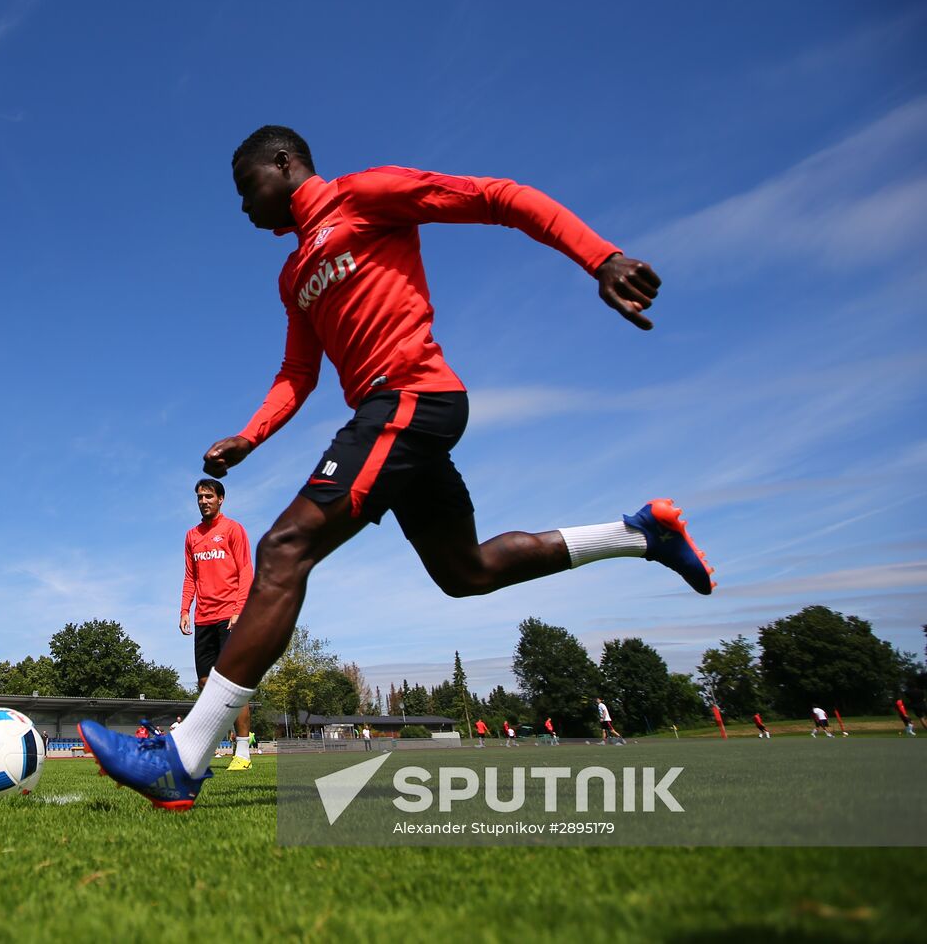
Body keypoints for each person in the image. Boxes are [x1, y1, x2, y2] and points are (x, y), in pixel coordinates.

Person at [79, 125, 715, 810]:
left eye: (246, 188)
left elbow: (499, 197)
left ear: (284, 164)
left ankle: (182, 758)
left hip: (411, 396)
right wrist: (249, 437)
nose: (242, 208)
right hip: (393, 418)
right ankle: (641, 534)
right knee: (464, 572)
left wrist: (602, 258)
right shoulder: (293, 275)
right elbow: (298, 373)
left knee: (283, 548)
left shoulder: (365, 196)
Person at [177, 478, 255, 771]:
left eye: (208, 496)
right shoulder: (191, 536)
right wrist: (185, 609)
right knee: (204, 684)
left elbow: (246, 571)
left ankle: (243, 752)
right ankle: (211, 744)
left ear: (221, 499)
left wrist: (239, 610)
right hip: (203, 618)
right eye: (200, 497)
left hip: (230, 616)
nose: (203, 501)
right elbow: (190, 577)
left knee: (234, 684)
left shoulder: (233, 529)